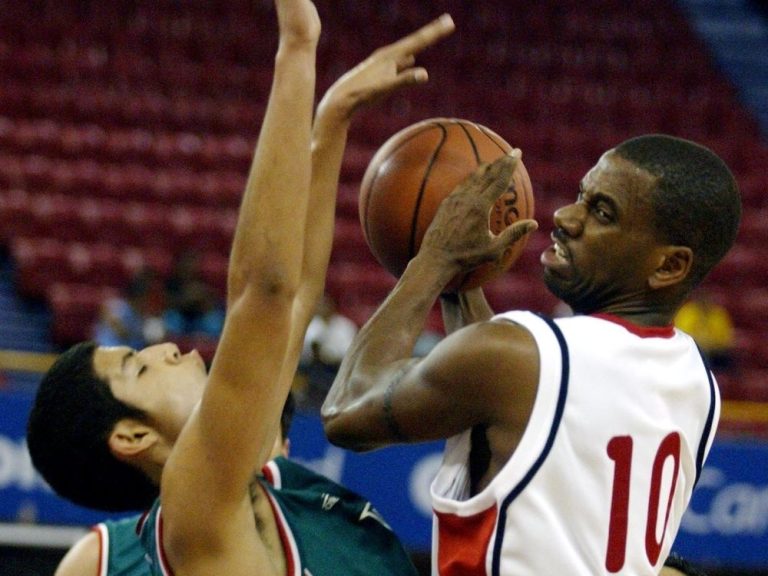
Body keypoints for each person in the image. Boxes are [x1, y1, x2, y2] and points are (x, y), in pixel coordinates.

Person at [26, 3, 456, 576]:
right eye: (138, 366)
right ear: (131, 435)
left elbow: (297, 294)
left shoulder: (261, 480)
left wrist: (331, 122)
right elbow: (265, 293)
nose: (167, 350)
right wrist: (297, 50)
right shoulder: (193, 513)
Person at [322, 136, 741, 574]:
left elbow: (346, 411)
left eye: (602, 212)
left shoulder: (525, 356)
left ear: (669, 266)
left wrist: (434, 260)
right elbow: (505, 395)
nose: (564, 217)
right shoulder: (698, 384)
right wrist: (463, 277)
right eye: (582, 196)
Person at [674, 288, 735, 370]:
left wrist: (710, 344)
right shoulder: (686, 313)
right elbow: (682, 336)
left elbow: (725, 339)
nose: (703, 302)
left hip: (714, 353)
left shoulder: (718, 314)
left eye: (706, 299)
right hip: (692, 351)